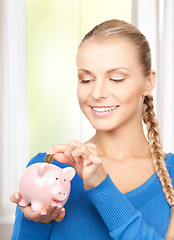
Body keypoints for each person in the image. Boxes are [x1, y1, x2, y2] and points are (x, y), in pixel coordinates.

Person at [10, 19, 174, 240]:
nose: (97, 93)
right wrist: (35, 221)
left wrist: (101, 187)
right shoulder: (49, 169)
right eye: (86, 79)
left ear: (148, 82)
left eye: (116, 78)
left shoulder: (171, 175)